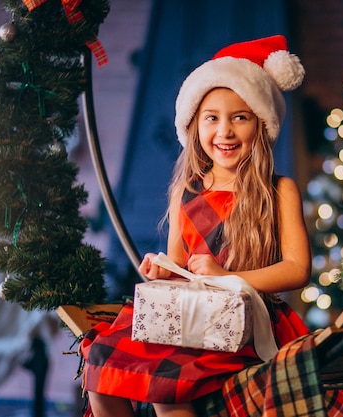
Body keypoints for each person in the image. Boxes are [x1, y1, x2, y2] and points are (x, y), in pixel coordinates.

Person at [80, 35, 312, 417]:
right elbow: (178, 269)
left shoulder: (278, 191)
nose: (225, 131)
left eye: (240, 117)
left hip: (244, 318)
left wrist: (226, 276)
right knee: (102, 364)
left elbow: (297, 269)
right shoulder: (185, 193)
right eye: (212, 118)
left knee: (165, 389)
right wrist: (162, 271)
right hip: (190, 313)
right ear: (194, 126)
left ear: (261, 124)